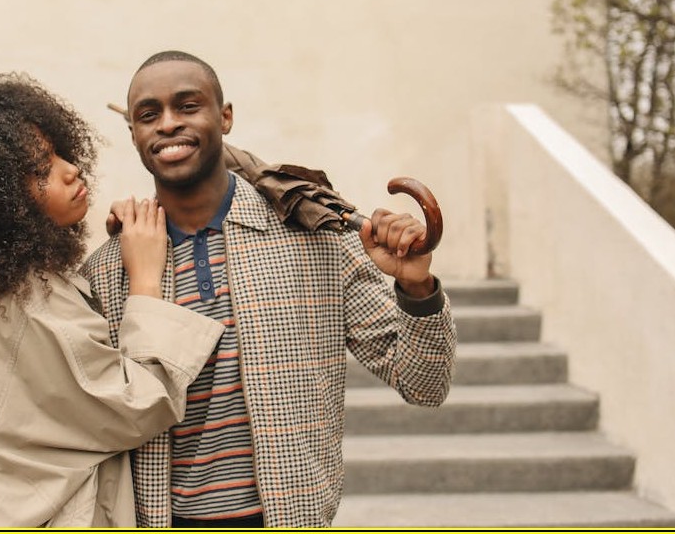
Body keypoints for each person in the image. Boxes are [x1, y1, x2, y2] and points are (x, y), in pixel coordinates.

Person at [81, 51, 457, 528]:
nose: (168, 124)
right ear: (133, 133)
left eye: (188, 106)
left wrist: (416, 285)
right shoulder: (109, 271)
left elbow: (426, 384)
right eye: (149, 115)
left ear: (226, 117)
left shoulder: (317, 238)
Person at [0, 72, 225, 527]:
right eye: (41, 172)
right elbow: (137, 406)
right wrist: (146, 279)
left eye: (57, 153)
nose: (69, 169)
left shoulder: (1, 290)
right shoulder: (30, 307)